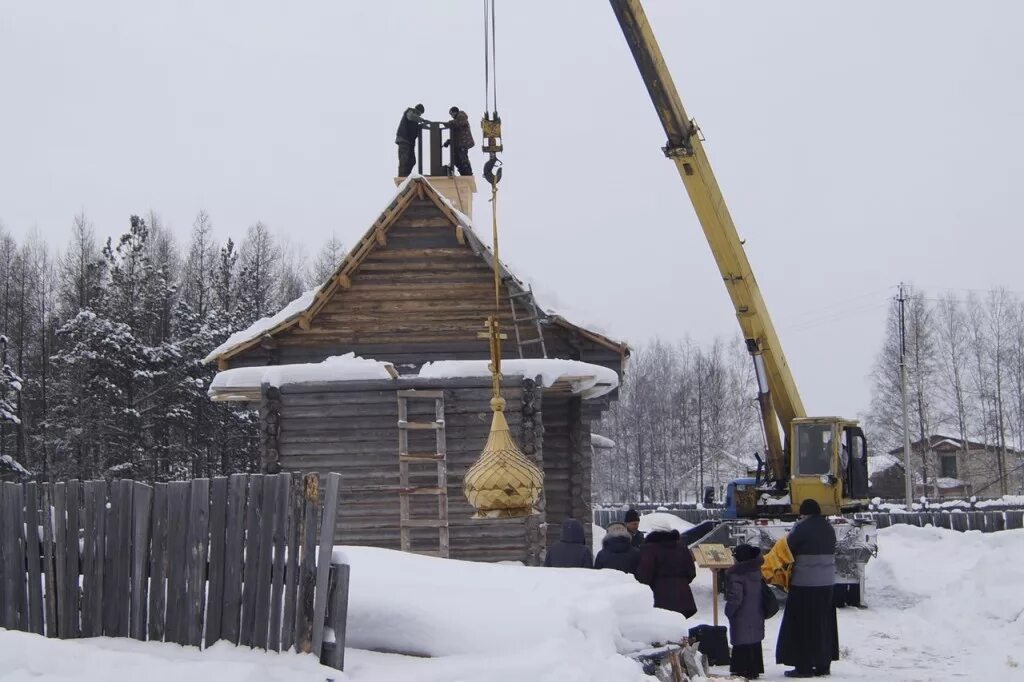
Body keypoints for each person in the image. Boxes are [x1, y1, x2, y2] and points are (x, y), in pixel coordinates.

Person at [776, 499, 839, 678]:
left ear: (804, 513)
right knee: (823, 625)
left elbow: (788, 548)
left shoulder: (801, 528)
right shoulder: (829, 528)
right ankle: (822, 664)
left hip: (804, 584)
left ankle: (803, 667)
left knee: (802, 625)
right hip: (827, 584)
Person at [635, 517, 697, 618]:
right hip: (684, 596)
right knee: (682, 630)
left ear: (653, 531)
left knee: (665, 630)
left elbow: (644, 574)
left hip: (660, 595)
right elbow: (691, 572)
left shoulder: (648, 549)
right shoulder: (682, 547)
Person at [725, 544, 766, 680]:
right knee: (754, 640)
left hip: (741, 614)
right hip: (756, 612)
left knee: (742, 640)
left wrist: (728, 611)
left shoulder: (737, 575)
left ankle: (741, 668)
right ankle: (755, 668)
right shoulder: (757, 571)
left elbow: (736, 598)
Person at [396, 103, 427, 177]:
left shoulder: (415, 121)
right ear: (417, 111)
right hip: (404, 140)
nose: (419, 115)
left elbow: (415, 132)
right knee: (404, 159)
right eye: (419, 114)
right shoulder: (410, 111)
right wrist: (422, 120)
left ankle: (406, 175)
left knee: (412, 160)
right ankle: (402, 177)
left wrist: (423, 126)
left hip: (410, 142)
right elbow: (410, 117)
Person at [443, 106, 475, 176]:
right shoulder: (457, 121)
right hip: (459, 143)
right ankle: (463, 173)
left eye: (451, 114)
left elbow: (459, 123)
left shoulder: (461, 116)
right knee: (456, 160)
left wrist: (448, 123)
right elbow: (456, 135)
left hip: (463, 143)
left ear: (455, 112)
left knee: (463, 159)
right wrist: (449, 141)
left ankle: (468, 174)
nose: (451, 116)